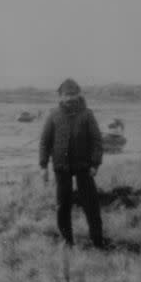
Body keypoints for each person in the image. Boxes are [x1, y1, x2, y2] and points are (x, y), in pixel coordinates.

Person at [39, 78, 105, 248]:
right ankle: (67, 242)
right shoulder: (53, 115)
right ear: (60, 97)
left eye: (73, 94)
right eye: (66, 95)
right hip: (61, 168)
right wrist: (43, 166)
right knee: (63, 206)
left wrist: (95, 164)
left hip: (84, 167)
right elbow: (45, 142)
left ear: (78, 95)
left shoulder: (87, 114)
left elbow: (97, 141)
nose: (70, 98)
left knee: (91, 205)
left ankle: (98, 241)